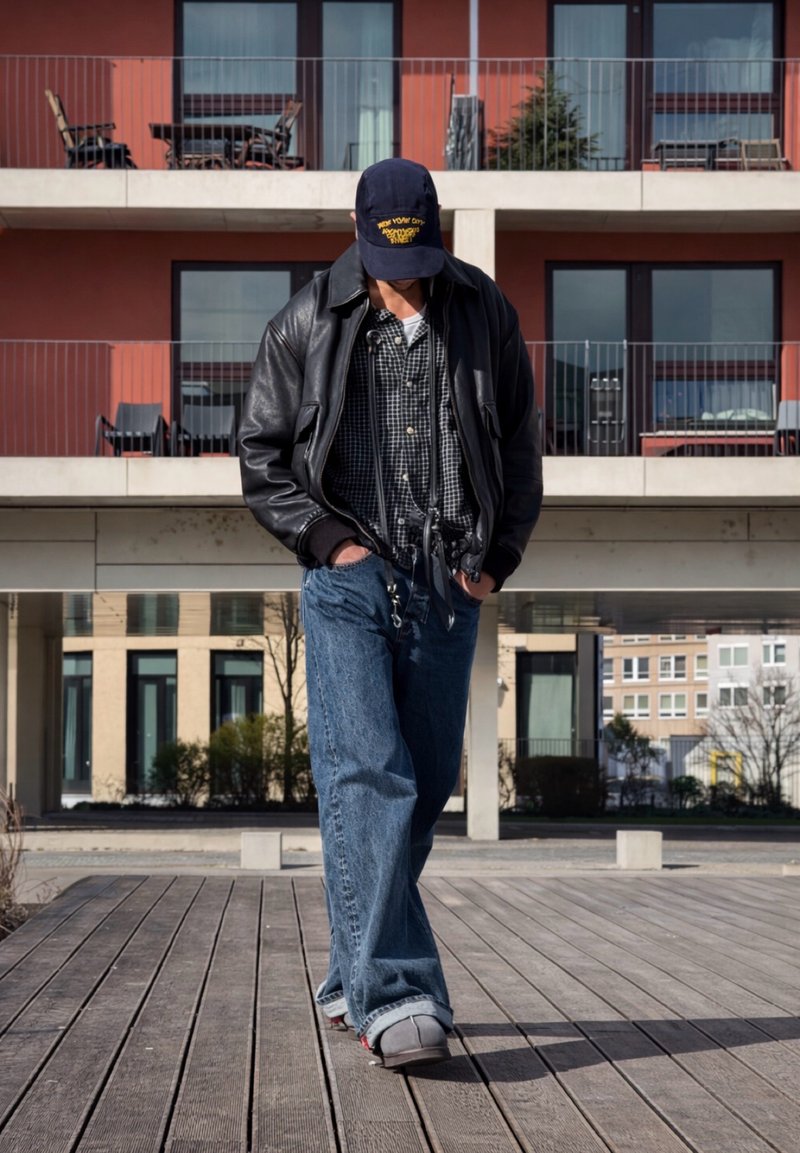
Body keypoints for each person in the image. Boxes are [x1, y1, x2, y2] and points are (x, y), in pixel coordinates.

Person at [239, 157, 542, 1069]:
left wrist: (496, 558)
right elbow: (260, 456)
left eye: (416, 259)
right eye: (387, 259)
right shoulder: (305, 320)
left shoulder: (484, 312)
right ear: (359, 235)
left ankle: (350, 973)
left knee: (426, 784)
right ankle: (400, 990)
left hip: (450, 579)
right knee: (369, 774)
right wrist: (332, 542)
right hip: (350, 581)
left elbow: (519, 443)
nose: (403, 278)